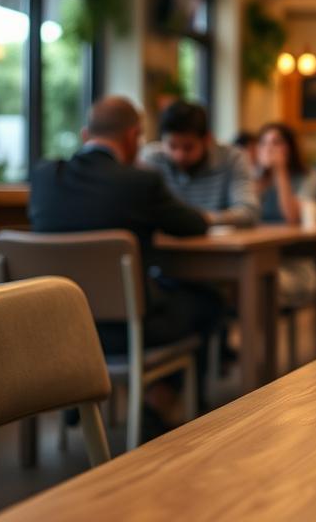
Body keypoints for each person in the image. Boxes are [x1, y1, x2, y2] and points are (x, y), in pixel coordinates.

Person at [29, 96, 221, 434]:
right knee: (207, 301)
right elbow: (194, 225)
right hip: (122, 334)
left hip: (57, 333)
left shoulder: (44, 176)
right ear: (134, 136)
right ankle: (159, 405)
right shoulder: (139, 182)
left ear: (86, 135)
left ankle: (83, 393)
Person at [141, 102, 259, 228]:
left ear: (207, 139)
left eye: (188, 147)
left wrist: (198, 219)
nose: (179, 155)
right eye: (172, 146)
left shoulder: (232, 158)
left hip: (218, 246)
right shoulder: (152, 159)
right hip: (166, 244)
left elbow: (249, 212)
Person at [255, 122, 316, 307]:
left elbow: (291, 217)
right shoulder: (252, 178)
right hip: (258, 259)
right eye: (264, 143)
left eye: (276, 143)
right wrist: (261, 176)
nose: (270, 149)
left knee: (254, 284)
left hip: (294, 264)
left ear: (290, 147)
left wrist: (280, 171)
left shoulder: (308, 176)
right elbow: (246, 214)